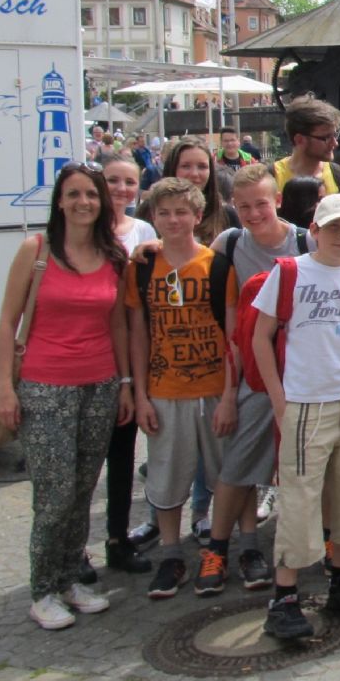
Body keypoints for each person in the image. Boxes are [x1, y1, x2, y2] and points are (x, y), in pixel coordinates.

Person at [0, 163, 132, 629]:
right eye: (74, 195)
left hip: (99, 383)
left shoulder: (112, 256)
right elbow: (6, 322)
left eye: (91, 195)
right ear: (60, 201)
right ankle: (43, 588)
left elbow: (117, 323)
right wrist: (6, 389)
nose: (84, 203)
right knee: (53, 494)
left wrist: (125, 382)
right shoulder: (36, 251)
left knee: (80, 488)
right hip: (44, 385)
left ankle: (71, 576)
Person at [251, 194, 340, 640]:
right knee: (300, 498)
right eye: (334, 227)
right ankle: (285, 594)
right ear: (315, 229)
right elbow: (260, 337)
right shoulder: (289, 272)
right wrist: (278, 397)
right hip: (305, 401)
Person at [198, 164, 312, 595]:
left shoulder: (305, 241)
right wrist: (228, 393)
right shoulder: (228, 244)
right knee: (239, 464)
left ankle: (307, 544)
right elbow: (226, 327)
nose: (252, 213)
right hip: (255, 377)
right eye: (243, 206)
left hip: (302, 372)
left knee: (305, 466)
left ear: (277, 200)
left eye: (261, 203)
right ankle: (218, 547)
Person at [126, 177, 238, 596]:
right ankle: (171, 554)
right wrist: (140, 395)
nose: (173, 220)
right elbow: (139, 334)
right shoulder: (141, 269)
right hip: (164, 388)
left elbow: (232, 337)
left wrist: (230, 393)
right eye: (164, 212)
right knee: (167, 478)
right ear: (152, 217)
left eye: (181, 212)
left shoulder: (216, 266)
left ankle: (225, 549)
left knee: (227, 473)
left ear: (196, 216)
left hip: (212, 387)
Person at [98, 154, 158, 574]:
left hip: (129, 355)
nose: (121, 189)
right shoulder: (83, 232)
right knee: (82, 465)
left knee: (121, 455)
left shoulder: (144, 231)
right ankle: (72, 553)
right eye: (112, 181)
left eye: (129, 182)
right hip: (89, 354)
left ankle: (117, 540)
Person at [272, 96, 340, 210]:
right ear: (299, 140)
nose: (335, 143)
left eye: (335, 134)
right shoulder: (271, 178)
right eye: (326, 138)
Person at [145, 136, 237, 246]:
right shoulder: (149, 209)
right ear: (173, 168)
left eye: (202, 167)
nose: (194, 174)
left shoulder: (226, 214)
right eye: (186, 166)